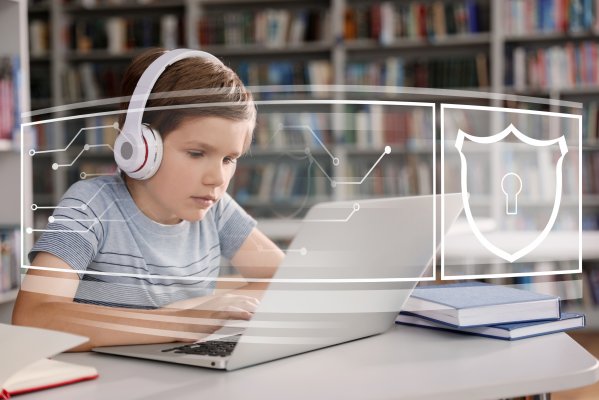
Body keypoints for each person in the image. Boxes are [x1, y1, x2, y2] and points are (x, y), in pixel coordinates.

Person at [12, 48, 284, 351]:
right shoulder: (91, 207)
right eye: (197, 153)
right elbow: (32, 317)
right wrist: (181, 322)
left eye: (229, 159)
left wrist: (213, 306)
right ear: (140, 147)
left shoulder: (215, 209)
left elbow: (286, 280)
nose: (217, 179)